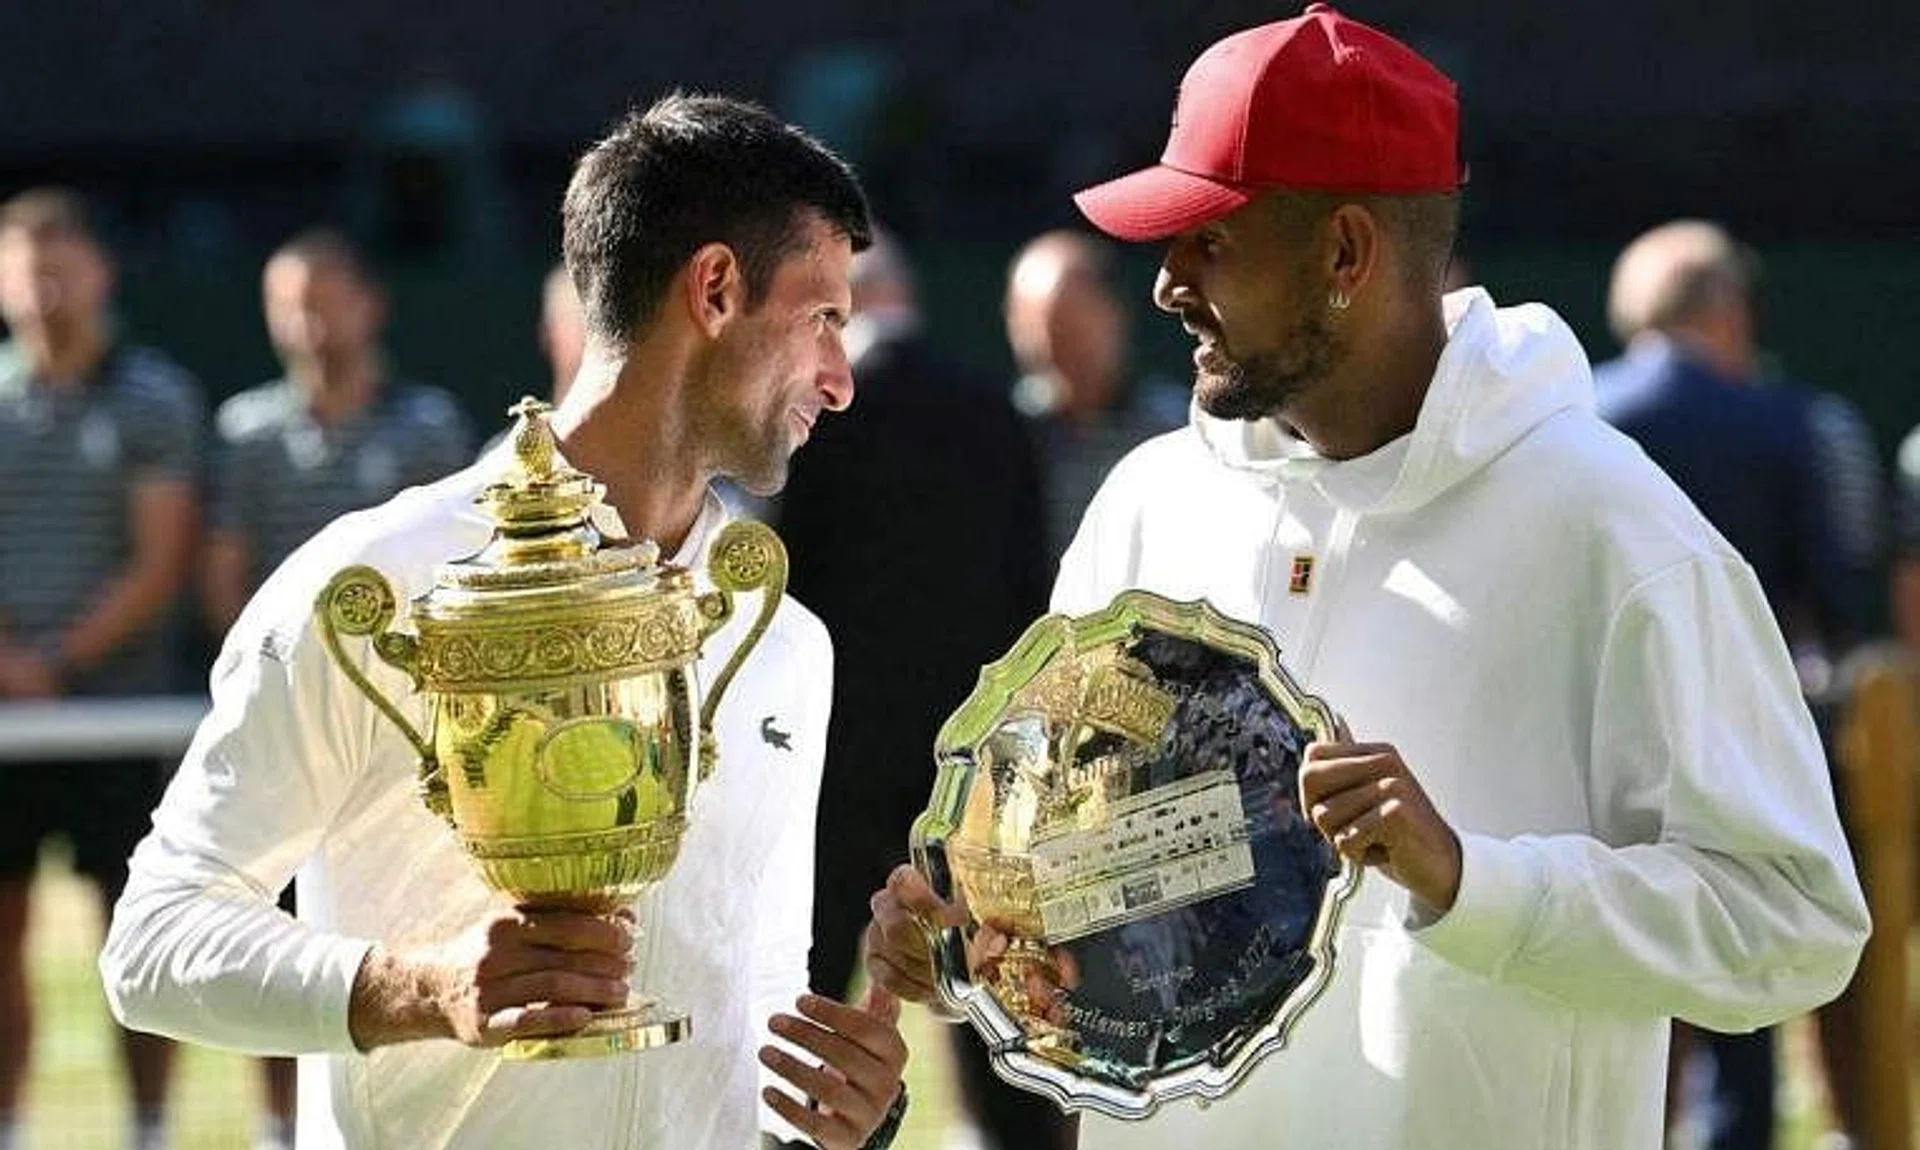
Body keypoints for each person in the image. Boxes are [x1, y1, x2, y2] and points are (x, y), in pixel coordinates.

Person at [863, 9, 1869, 1150]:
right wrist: (976, 933)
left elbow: (1796, 921)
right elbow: (1091, 882)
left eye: (1210, 241)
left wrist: (1470, 882)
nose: (1166, 285)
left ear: (1345, 253)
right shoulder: (1149, 499)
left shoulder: (1617, 528)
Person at [101, 94, 907, 1150]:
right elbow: (153, 943)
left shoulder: (784, 642)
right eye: (823, 322)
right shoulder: (372, 590)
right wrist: (422, 988)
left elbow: (751, 995)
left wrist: (851, 1113)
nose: (840, 382)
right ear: (714, 289)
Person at [1596, 219, 1885, 1150]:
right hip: (1747, 747)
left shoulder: (1569, 426)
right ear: (1730, 310)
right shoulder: (1795, 421)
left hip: (1590, 755)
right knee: (1742, 999)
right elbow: (1845, 595)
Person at [774, 232, 1060, 1149]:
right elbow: (1031, 589)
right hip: (976, 769)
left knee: (804, 997)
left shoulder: (814, 422)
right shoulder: (994, 410)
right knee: (999, 1005)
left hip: (839, 759)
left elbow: (791, 588)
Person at [0, 189, 202, 1150]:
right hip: (5, 718)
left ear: (100, 275)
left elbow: (160, 561)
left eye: (59, 265)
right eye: (22, 266)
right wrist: (11, 666)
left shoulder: (153, 397)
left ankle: (150, 1132)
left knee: (137, 934)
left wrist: (55, 663)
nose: (42, 287)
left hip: (121, 715)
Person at [203, 230, 474, 637]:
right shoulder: (244, 431)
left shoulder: (430, 425)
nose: (306, 325)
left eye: (324, 305)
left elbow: (453, 560)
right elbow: (223, 571)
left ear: (370, 306)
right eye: (287, 308)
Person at [1004, 230, 1187, 562]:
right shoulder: (999, 432)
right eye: (1040, 330)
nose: (1053, 349)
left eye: (1074, 330)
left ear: (1116, 317)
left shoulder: (1178, 429)